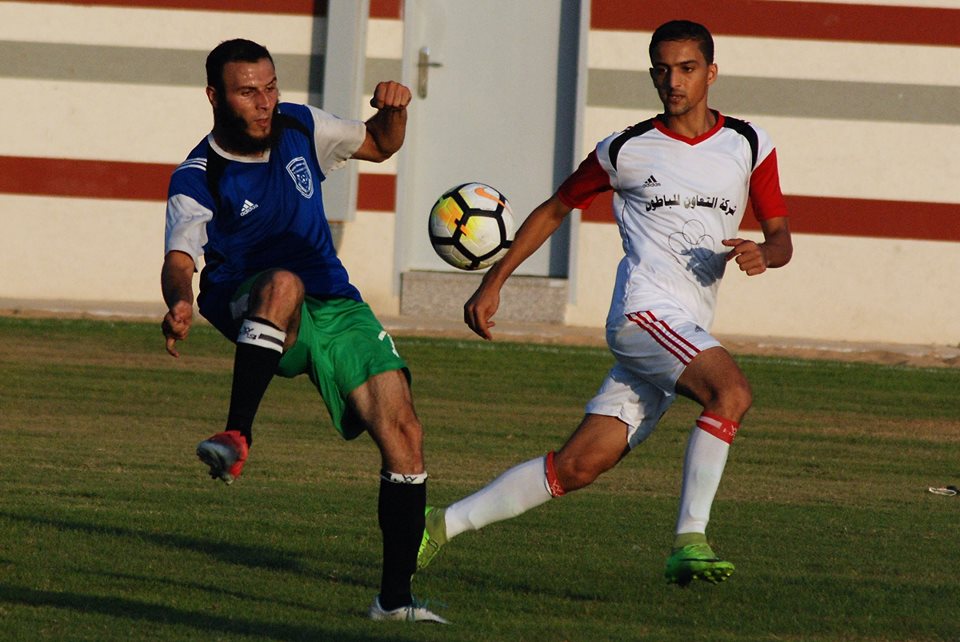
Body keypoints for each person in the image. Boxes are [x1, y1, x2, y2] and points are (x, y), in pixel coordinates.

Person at [417, 20, 793, 587]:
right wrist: (496, 280)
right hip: (643, 316)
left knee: (577, 466)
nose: (674, 81)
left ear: (711, 73)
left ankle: (437, 526)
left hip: (683, 327)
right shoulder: (624, 150)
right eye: (663, 70)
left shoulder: (748, 144)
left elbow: (783, 237)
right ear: (651, 74)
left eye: (687, 68)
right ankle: (690, 538)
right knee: (731, 392)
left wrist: (766, 251)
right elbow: (553, 208)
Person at [161, 39, 447, 623]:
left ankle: (394, 602)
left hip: (335, 301)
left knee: (405, 433)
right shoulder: (198, 174)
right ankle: (237, 435)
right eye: (248, 92)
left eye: (270, 87)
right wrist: (178, 302)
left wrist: (394, 110)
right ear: (215, 97)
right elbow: (179, 260)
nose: (265, 103)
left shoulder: (300, 124)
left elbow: (379, 144)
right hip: (251, 301)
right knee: (284, 282)